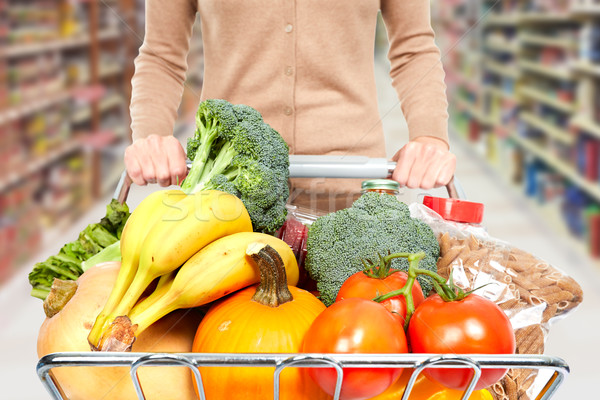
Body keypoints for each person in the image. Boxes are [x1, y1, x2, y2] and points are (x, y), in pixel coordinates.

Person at [124, 0, 456, 211]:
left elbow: (413, 49)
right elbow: (161, 56)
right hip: (227, 187)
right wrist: (151, 136)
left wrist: (429, 136)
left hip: (352, 188)